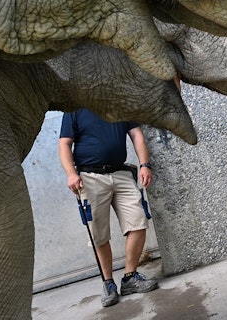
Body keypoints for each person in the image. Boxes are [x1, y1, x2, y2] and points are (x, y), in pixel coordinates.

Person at [59, 108, 158, 308]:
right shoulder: (73, 108)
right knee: (98, 234)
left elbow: (136, 133)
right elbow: (64, 144)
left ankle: (130, 277)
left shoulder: (116, 101)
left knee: (138, 221)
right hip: (89, 177)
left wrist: (145, 164)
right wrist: (71, 173)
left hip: (121, 173)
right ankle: (108, 283)